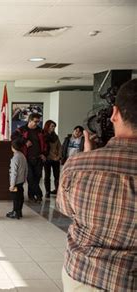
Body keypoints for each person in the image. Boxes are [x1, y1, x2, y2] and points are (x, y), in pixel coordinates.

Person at [56, 79, 137, 291]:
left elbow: (65, 209)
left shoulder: (77, 165)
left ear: (115, 113)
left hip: (84, 276)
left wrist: (89, 160)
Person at [11, 113, 46, 203]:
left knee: (37, 178)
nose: (37, 123)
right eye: (35, 121)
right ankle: (38, 195)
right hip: (26, 158)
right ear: (29, 121)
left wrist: (44, 154)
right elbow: (13, 137)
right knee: (30, 178)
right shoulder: (22, 130)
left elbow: (45, 143)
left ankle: (31, 196)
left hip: (38, 158)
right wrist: (25, 141)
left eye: (38, 121)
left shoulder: (40, 131)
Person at [6, 138, 27, 219]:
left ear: (13, 147)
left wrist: (12, 184)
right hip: (21, 181)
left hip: (16, 182)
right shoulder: (23, 156)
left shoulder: (15, 157)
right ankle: (19, 211)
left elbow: (14, 172)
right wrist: (24, 179)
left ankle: (15, 212)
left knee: (15, 198)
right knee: (20, 197)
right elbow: (26, 169)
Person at [43, 120, 61, 198]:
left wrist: (58, 156)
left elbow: (60, 147)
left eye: (54, 126)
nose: (53, 128)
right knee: (47, 176)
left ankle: (57, 190)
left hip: (55, 159)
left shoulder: (55, 136)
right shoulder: (43, 136)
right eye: (52, 126)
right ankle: (47, 191)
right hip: (47, 159)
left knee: (57, 176)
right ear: (47, 127)